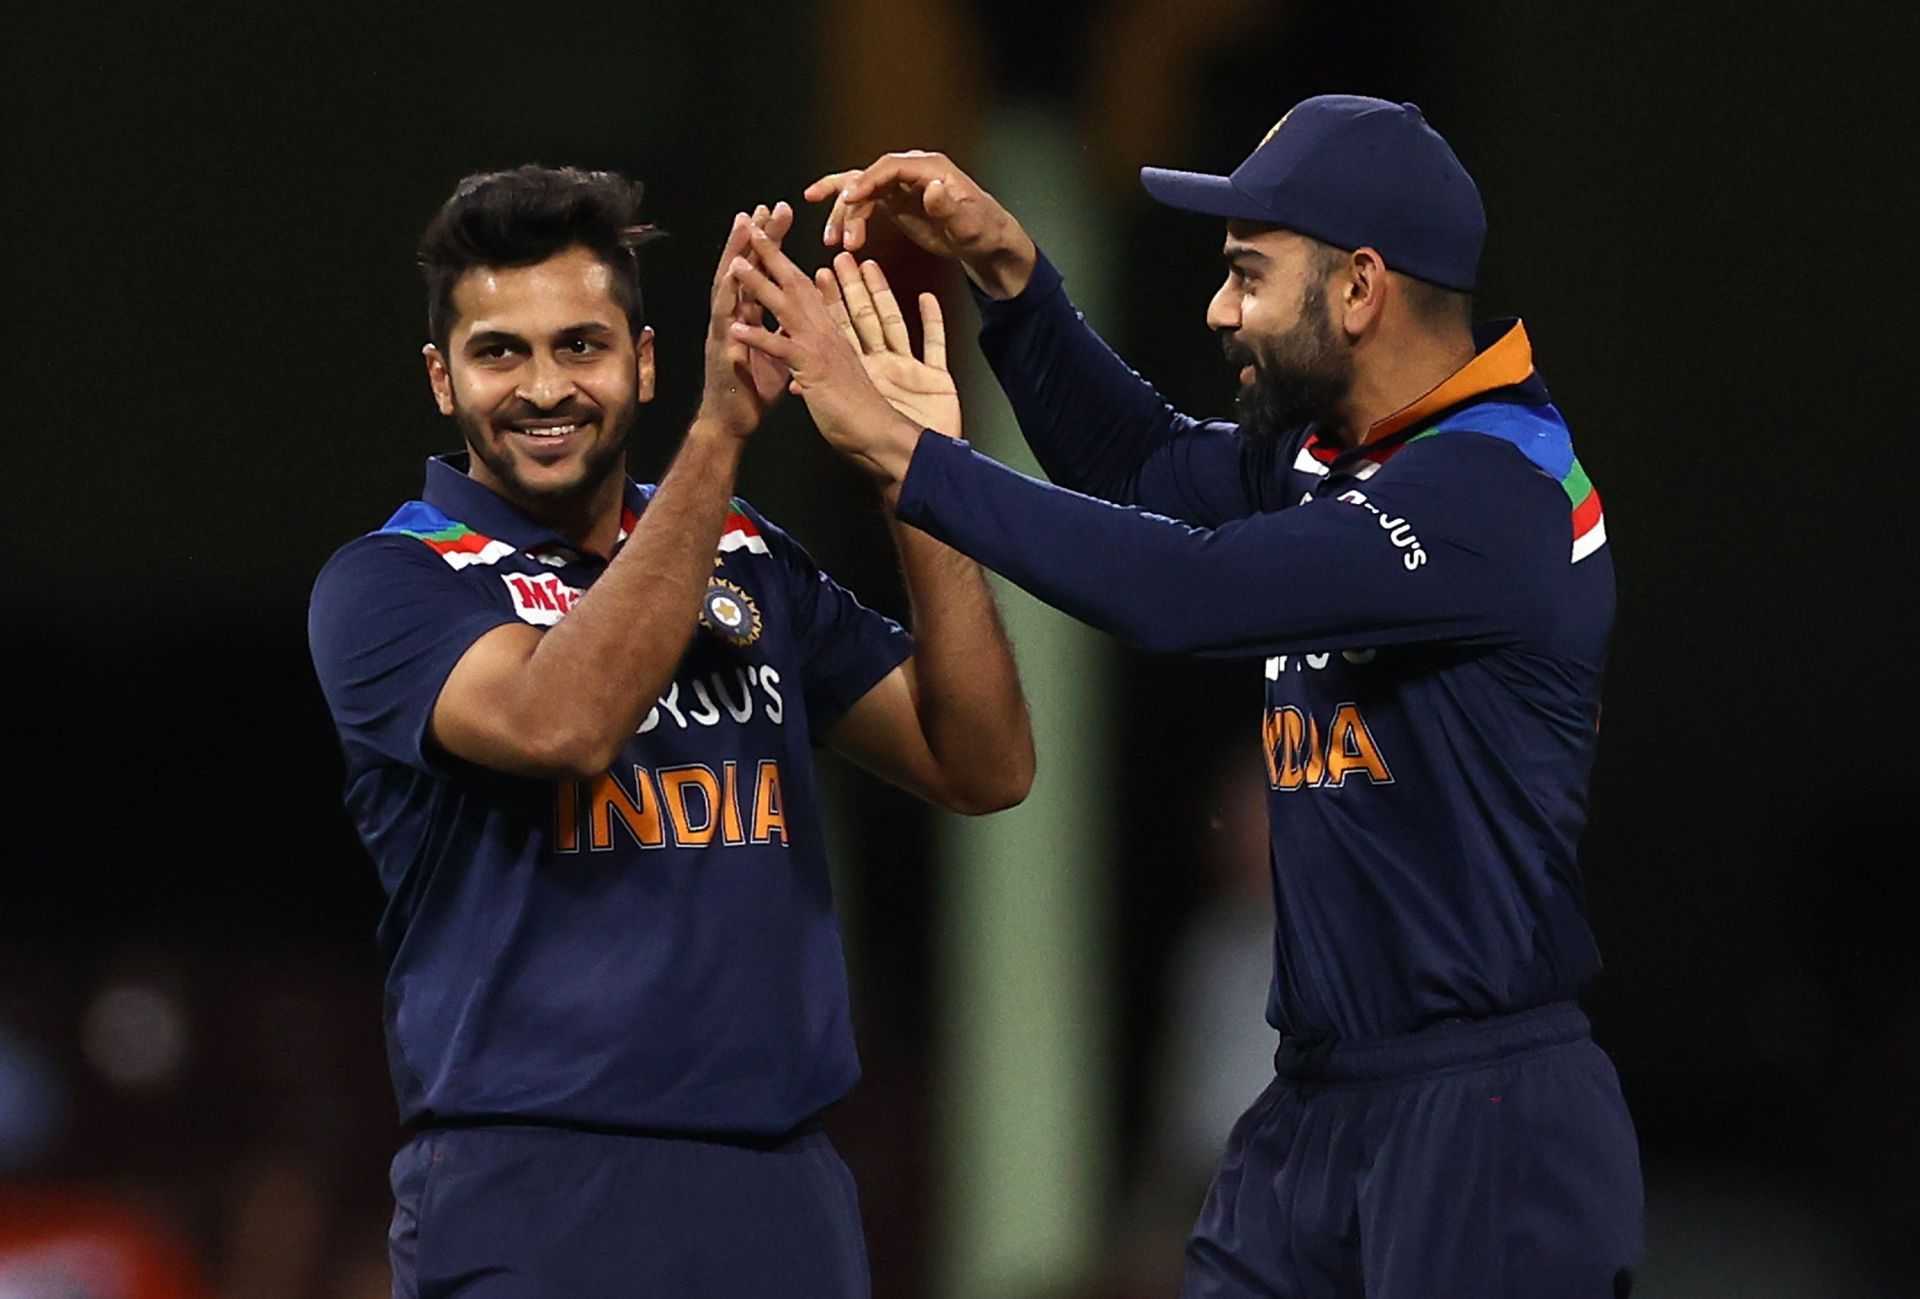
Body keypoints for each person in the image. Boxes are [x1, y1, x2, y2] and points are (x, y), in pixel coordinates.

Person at [727, 93, 1643, 1296]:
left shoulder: (1495, 493)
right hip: (1317, 1104)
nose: (1220, 310)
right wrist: (1014, 280)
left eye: (1250, 274)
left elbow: (1184, 592)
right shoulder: (1341, 458)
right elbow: (1146, 468)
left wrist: (910, 460)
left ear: (1360, 288)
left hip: (1484, 1116)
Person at [306, 166, 1033, 1297]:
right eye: (501, 352)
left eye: (581, 346)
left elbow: (982, 764)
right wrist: (721, 432)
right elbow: (565, 723)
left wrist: (918, 473)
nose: (545, 387)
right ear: (441, 382)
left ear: (640, 362)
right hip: (536, 1194)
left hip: (780, 1190)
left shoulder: (746, 556)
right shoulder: (389, 585)